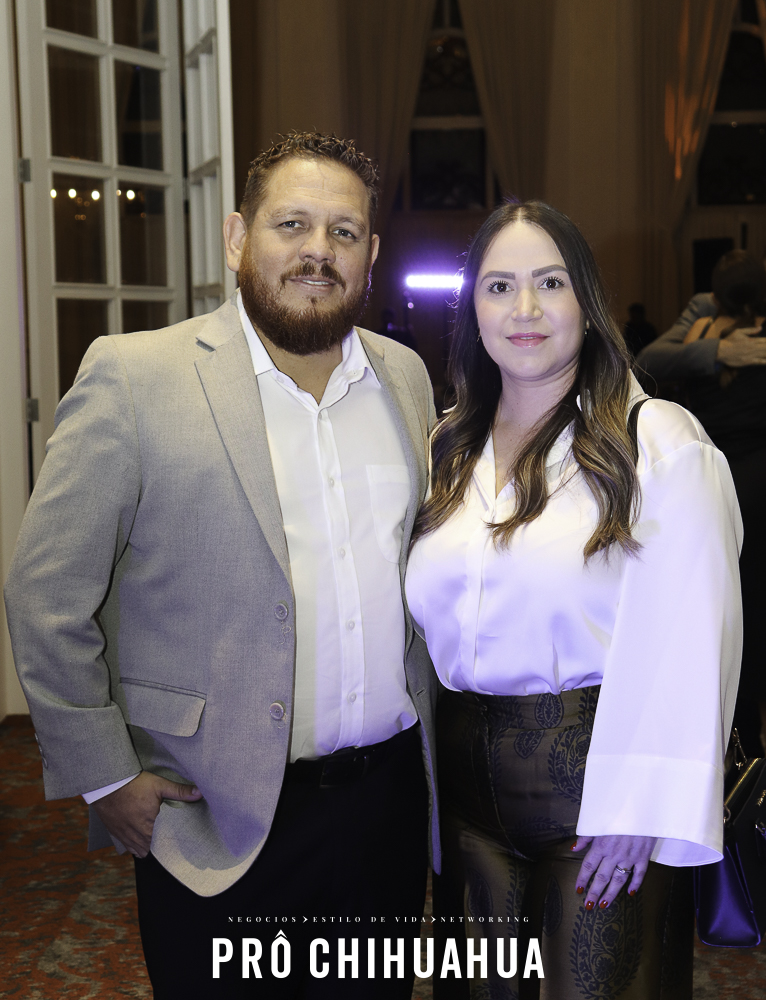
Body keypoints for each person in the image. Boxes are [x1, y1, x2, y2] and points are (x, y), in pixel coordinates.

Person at [4, 132, 439, 1000]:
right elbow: (44, 593)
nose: (318, 251)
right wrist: (105, 773)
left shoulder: (406, 377)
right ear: (239, 237)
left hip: (386, 808)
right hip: (213, 817)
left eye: (344, 232)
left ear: (370, 254)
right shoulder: (135, 378)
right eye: (292, 224)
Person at [404, 201, 742, 998]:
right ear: (473, 310)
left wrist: (639, 805)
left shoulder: (657, 442)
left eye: (549, 283)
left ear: (587, 304)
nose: (523, 308)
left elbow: (694, 637)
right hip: (465, 794)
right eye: (499, 286)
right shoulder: (446, 447)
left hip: (596, 786)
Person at [680, 250, 766, 757]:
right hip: (760, 480)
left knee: (731, 605)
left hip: (718, 485)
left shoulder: (702, 332)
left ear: (716, 293)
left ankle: (741, 746)